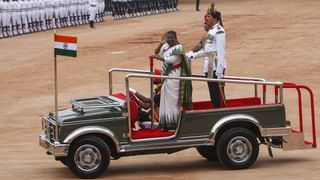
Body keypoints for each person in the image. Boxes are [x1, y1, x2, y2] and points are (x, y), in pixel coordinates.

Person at [152, 31, 192, 131]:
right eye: (167, 38)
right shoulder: (165, 46)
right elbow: (156, 52)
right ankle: (165, 123)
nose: (169, 40)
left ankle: (174, 123)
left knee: (173, 100)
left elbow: (171, 60)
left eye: (171, 38)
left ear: (175, 38)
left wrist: (158, 58)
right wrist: (161, 43)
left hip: (174, 76)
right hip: (166, 77)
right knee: (165, 100)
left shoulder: (179, 48)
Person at [187, 10, 227, 108]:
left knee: (218, 95)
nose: (206, 18)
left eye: (209, 16)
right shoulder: (211, 31)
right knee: (213, 94)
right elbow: (207, 51)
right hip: (209, 65)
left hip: (215, 66)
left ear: (215, 19)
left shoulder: (219, 30)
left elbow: (221, 52)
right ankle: (217, 109)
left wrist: (220, 70)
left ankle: (221, 112)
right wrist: (192, 55)